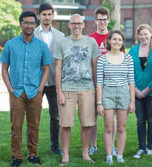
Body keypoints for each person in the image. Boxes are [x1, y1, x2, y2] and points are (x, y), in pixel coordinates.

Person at [1, 11, 52, 167]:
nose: (29, 25)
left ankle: (33, 154)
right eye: (26, 22)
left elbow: (46, 69)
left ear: (35, 25)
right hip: (16, 92)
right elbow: (4, 68)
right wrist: (10, 89)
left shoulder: (42, 46)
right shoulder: (10, 44)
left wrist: (40, 88)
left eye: (32, 23)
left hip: (35, 92)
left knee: (34, 125)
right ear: (20, 24)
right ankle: (17, 156)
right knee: (16, 126)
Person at [54, 14, 100, 165]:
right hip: (67, 88)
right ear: (69, 25)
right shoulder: (62, 43)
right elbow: (58, 68)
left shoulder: (91, 42)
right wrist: (59, 91)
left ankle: (85, 153)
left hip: (87, 89)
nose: (76, 26)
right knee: (65, 124)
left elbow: (94, 66)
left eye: (78, 23)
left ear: (83, 24)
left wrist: (96, 89)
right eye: (73, 24)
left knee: (87, 123)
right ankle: (65, 155)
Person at [96, 30, 135, 165]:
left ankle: (119, 155)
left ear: (122, 42)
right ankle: (108, 156)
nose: (117, 42)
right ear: (109, 41)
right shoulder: (102, 59)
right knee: (108, 127)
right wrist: (99, 103)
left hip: (124, 93)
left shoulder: (128, 58)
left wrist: (132, 102)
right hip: (108, 93)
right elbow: (99, 82)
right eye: (114, 39)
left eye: (119, 39)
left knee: (121, 128)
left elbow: (131, 81)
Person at [34, 2, 65, 155]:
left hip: (54, 82)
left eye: (49, 14)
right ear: (39, 15)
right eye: (44, 14)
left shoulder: (60, 36)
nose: (47, 17)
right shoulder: (32, 34)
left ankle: (55, 147)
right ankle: (32, 149)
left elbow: (63, 61)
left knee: (56, 117)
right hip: (36, 83)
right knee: (34, 117)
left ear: (53, 15)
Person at [88, 6, 119, 156]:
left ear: (108, 20)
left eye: (104, 19)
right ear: (95, 21)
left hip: (110, 84)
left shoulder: (114, 37)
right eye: (99, 19)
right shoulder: (90, 39)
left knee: (110, 117)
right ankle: (93, 146)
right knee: (92, 116)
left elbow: (120, 58)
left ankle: (112, 146)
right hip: (93, 83)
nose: (102, 22)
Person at [129, 24, 152, 159]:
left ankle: (150, 147)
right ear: (137, 36)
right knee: (140, 120)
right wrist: (135, 89)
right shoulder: (133, 51)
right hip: (136, 91)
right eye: (140, 34)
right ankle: (141, 148)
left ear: (151, 34)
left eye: (146, 34)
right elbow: (128, 72)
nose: (143, 37)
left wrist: (147, 89)